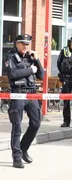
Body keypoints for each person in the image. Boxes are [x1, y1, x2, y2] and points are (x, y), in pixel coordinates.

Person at [5, 34, 44, 168]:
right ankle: (16, 157)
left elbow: (41, 76)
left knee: (36, 123)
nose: (25, 47)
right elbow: (13, 74)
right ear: (17, 44)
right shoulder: (11, 57)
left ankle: (23, 149)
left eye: (27, 44)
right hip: (18, 94)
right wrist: (30, 70)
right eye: (23, 44)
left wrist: (37, 60)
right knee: (17, 127)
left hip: (31, 95)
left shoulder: (30, 57)